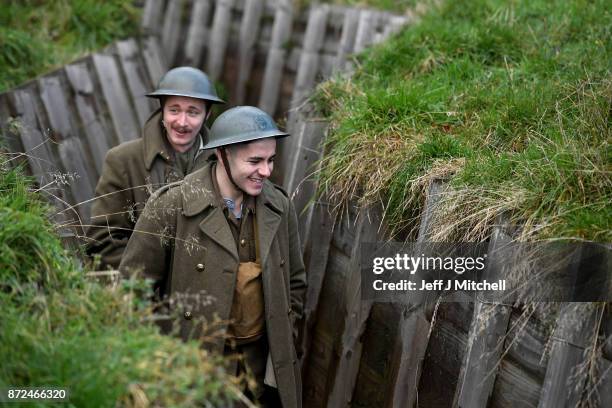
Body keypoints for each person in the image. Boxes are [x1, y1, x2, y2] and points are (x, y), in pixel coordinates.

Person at [119, 106, 306, 408]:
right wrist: (153, 362)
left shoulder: (280, 206)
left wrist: (286, 339)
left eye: (271, 160)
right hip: (190, 373)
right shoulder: (171, 205)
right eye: (255, 161)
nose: (267, 171)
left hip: (258, 375)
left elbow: (295, 285)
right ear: (222, 155)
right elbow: (132, 292)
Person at [86, 66, 225, 270]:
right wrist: (154, 279)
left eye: (193, 112)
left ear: (207, 114)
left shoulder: (223, 163)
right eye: (174, 110)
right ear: (162, 110)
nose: (182, 122)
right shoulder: (123, 160)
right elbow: (102, 243)